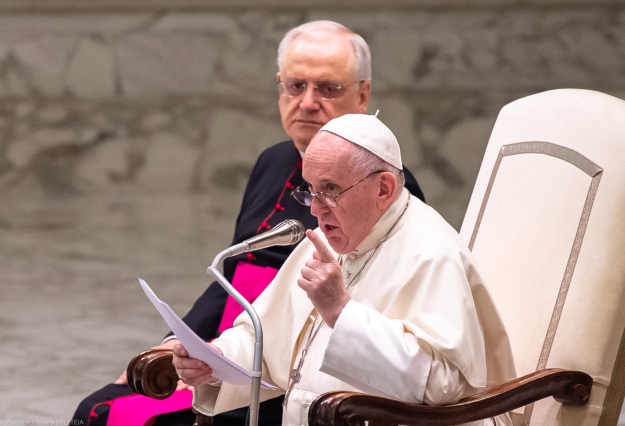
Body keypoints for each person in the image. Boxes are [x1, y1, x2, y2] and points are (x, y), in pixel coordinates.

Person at [72, 21, 425, 426]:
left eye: (328, 88)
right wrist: (175, 347)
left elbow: (371, 318)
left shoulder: (384, 190)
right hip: (227, 352)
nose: (308, 102)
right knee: (97, 408)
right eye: (296, 86)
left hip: (290, 381)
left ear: (362, 94)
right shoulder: (272, 162)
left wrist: (227, 366)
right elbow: (231, 278)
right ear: (279, 86)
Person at [174, 114, 516, 426]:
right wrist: (216, 360)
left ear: (383, 188)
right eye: (310, 191)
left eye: (331, 190)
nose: (317, 211)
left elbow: (445, 386)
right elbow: (267, 338)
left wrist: (341, 311)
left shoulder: (433, 253)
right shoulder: (325, 240)